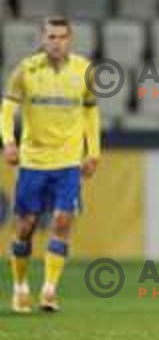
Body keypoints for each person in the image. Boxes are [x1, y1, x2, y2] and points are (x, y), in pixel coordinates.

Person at [1, 17, 101, 313]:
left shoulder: (84, 71)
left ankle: (49, 290)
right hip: (33, 161)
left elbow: (90, 112)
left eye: (61, 37)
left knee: (62, 221)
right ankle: (20, 287)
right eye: (51, 37)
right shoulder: (26, 71)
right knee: (25, 227)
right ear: (43, 40)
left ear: (70, 40)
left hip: (68, 162)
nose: (56, 42)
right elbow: (7, 109)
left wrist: (93, 152)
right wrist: (8, 142)